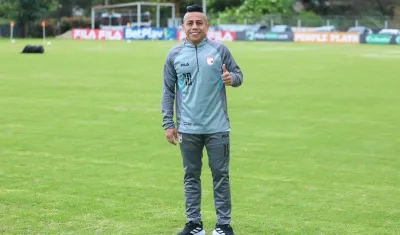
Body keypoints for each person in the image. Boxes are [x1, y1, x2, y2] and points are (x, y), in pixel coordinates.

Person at [161, 4, 243, 235]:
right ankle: (194, 224)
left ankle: (223, 225)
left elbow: (239, 75)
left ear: (207, 26)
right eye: (190, 23)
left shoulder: (219, 50)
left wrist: (231, 79)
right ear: (183, 27)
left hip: (218, 128)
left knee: (221, 176)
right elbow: (168, 91)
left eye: (199, 22)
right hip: (187, 128)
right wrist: (168, 124)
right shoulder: (174, 55)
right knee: (191, 176)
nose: (195, 26)